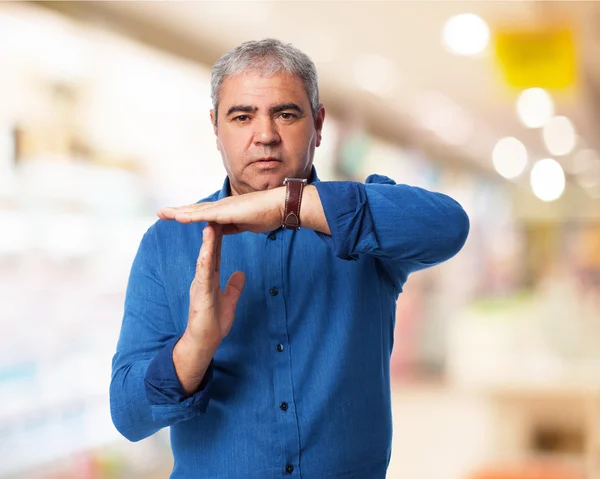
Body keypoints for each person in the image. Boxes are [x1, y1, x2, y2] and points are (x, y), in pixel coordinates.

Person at [110, 38, 470, 479]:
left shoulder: (364, 223)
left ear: (318, 125)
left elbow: (450, 226)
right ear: (215, 128)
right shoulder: (169, 242)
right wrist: (195, 348)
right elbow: (128, 416)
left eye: (286, 113)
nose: (264, 135)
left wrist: (291, 206)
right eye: (242, 116)